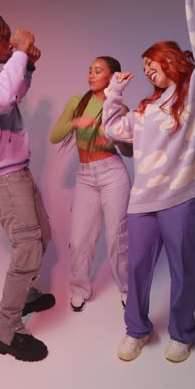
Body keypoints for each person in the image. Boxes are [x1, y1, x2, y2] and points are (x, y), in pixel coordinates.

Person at [102, 0, 195, 362]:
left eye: (153, 63)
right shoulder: (145, 110)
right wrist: (113, 94)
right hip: (143, 201)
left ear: (172, 61)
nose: (148, 70)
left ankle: (182, 333)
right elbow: (113, 131)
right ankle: (136, 329)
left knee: (185, 272)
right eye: (144, 66)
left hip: (183, 198)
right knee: (136, 270)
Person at [0, 12, 55, 362]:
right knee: (28, 247)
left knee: (42, 236)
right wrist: (21, 54)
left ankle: (24, 294)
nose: (11, 44)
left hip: (18, 170)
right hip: (1, 178)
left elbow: (11, 95)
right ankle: (6, 330)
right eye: (4, 38)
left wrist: (25, 66)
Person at [49, 56, 132, 312]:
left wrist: (116, 138)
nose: (91, 75)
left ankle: (128, 288)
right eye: (90, 70)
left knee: (117, 236)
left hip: (112, 174)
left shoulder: (120, 108)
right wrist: (75, 122)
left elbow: (129, 152)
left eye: (98, 71)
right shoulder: (78, 101)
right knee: (79, 239)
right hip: (85, 175)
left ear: (112, 77)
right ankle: (79, 288)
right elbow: (55, 136)